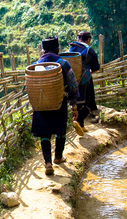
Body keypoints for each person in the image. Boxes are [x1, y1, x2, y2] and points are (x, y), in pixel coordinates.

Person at [31, 37, 79, 175]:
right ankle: (58, 157)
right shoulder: (63, 64)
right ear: (58, 50)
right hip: (59, 103)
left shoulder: (35, 65)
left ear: (42, 51)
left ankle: (47, 163)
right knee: (60, 130)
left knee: (44, 134)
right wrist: (74, 106)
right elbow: (73, 86)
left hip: (40, 104)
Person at [68, 31, 100, 133]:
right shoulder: (89, 50)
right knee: (88, 104)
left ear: (78, 39)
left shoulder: (71, 48)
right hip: (84, 81)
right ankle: (78, 121)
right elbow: (96, 68)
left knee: (77, 104)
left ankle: (81, 126)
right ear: (88, 40)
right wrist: (88, 72)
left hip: (71, 81)